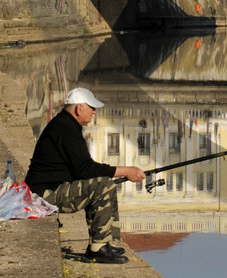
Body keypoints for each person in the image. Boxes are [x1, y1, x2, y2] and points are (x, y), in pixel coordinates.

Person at [25, 87, 145, 263]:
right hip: (43, 195)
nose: (95, 112)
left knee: (103, 182)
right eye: (92, 108)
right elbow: (85, 169)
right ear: (79, 108)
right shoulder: (66, 129)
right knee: (102, 185)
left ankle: (103, 242)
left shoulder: (65, 124)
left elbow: (82, 169)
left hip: (49, 189)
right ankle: (97, 249)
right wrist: (127, 171)